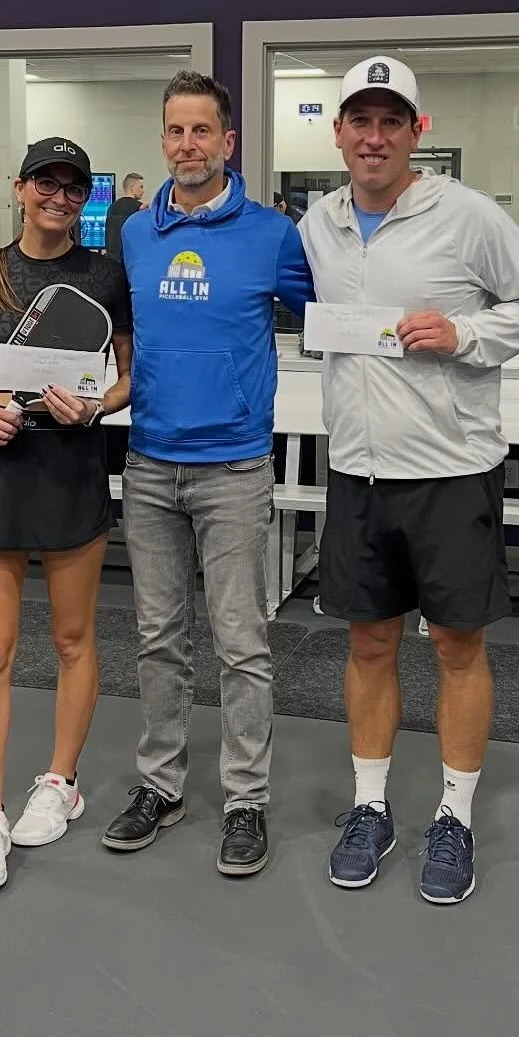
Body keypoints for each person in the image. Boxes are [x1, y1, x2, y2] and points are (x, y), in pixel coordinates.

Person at [299, 56, 519, 906]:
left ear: (418, 132)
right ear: (338, 131)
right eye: (359, 121)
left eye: (391, 122)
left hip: (452, 472)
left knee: (457, 646)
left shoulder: (468, 216)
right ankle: (370, 807)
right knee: (368, 644)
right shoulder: (320, 223)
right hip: (358, 472)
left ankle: (453, 817)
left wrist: (464, 333)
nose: (373, 137)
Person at [102, 71, 313, 878]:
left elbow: (329, 313)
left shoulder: (272, 235)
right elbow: (122, 333)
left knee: (240, 643)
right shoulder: (136, 233)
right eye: (174, 132)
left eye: (202, 132)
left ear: (228, 142)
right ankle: (162, 787)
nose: (187, 146)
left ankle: (247, 801)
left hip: (233, 468)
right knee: (158, 639)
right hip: (150, 464)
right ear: (162, 141)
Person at [0, 138, 133, 893]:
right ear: (20, 188)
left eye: (74, 187)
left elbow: (128, 374)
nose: (59, 197)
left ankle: (61, 781)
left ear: (86, 197)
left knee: (70, 637)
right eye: (46, 184)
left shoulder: (107, 276)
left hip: (71, 470)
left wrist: (97, 405)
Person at [104, 172, 146, 258]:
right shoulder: (141, 209)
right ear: (132, 188)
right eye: (141, 187)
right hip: (131, 262)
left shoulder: (112, 207)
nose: (143, 191)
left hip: (112, 263)